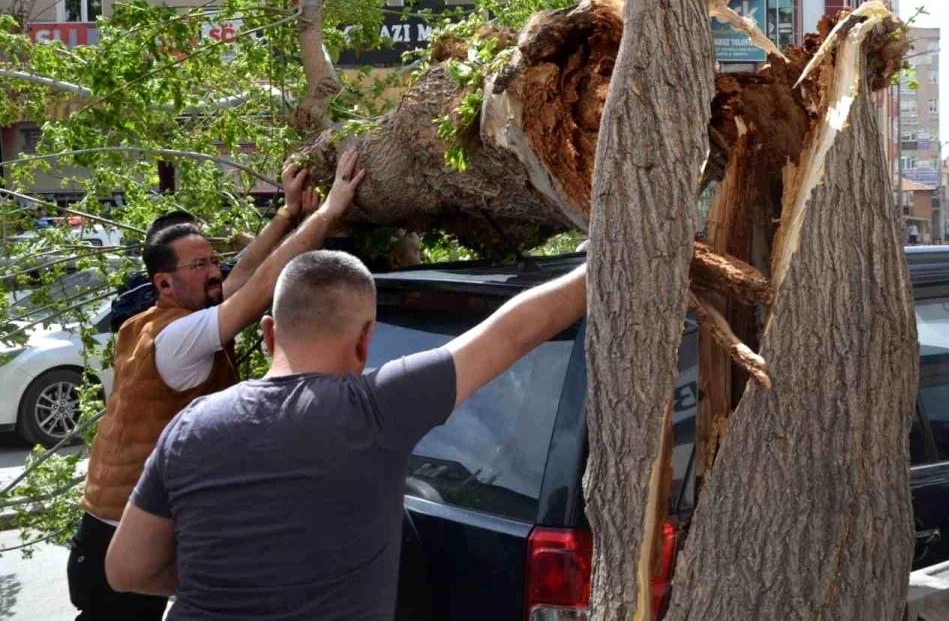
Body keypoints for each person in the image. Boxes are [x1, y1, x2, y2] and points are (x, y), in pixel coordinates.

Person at [105, 248, 587, 619]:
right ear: (364, 340)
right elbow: (516, 330)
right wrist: (608, 255)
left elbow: (125, 570)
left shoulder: (189, 427)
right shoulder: (379, 408)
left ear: (270, 333)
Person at [67, 149, 365, 621]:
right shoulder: (175, 337)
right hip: (118, 540)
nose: (213, 271)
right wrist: (327, 213)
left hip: (140, 529)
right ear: (164, 285)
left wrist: (287, 212)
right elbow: (255, 292)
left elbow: (242, 272)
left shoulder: (174, 313)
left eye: (212, 259)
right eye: (198, 265)